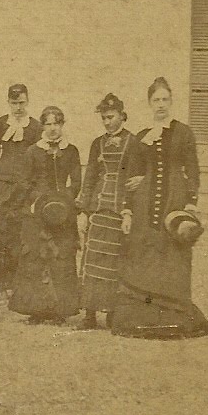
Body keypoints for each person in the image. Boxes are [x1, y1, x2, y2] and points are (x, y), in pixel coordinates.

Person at [111, 77, 208, 339]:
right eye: (156, 100)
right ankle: (143, 317)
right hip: (144, 204)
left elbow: (192, 168)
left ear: (171, 102)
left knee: (172, 255)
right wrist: (127, 210)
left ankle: (175, 317)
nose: (161, 105)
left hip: (175, 200)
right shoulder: (140, 136)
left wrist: (191, 201)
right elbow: (130, 175)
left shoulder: (183, 132)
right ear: (149, 103)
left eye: (165, 99)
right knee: (143, 253)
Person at [9, 106, 82, 325]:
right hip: (36, 212)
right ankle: (36, 310)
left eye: (56, 123)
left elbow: (76, 181)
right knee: (35, 258)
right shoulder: (32, 151)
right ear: (43, 126)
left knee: (61, 258)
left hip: (63, 213)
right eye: (48, 124)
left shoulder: (71, 151)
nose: (52, 129)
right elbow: (23, 181)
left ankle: (59, 310)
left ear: (62, 125)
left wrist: (65, 202)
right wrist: (36, 200)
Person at [76, 93, 139, 330]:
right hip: (98, 207)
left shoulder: (133, 143)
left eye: (111, 117)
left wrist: (128, 212)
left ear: (122, 116)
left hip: (118, 207)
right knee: (92, 261)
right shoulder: (97, 143)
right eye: (104, 118)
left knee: (114, 263)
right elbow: (90, 176)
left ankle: (112, 313)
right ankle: (89, 314)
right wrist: (83, 210)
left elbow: (133, 179)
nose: (107, 122)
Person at [0, 84, 43, 294]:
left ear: (28, 101)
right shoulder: (0, 124)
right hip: (2, 185)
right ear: (8, 103)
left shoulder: (36, 127)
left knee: (20, 233)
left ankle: (18, 284)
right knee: (0, 232)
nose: (18, 108)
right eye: (14, 103)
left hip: (24, 187)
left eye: (22, 102)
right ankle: (0, 284)